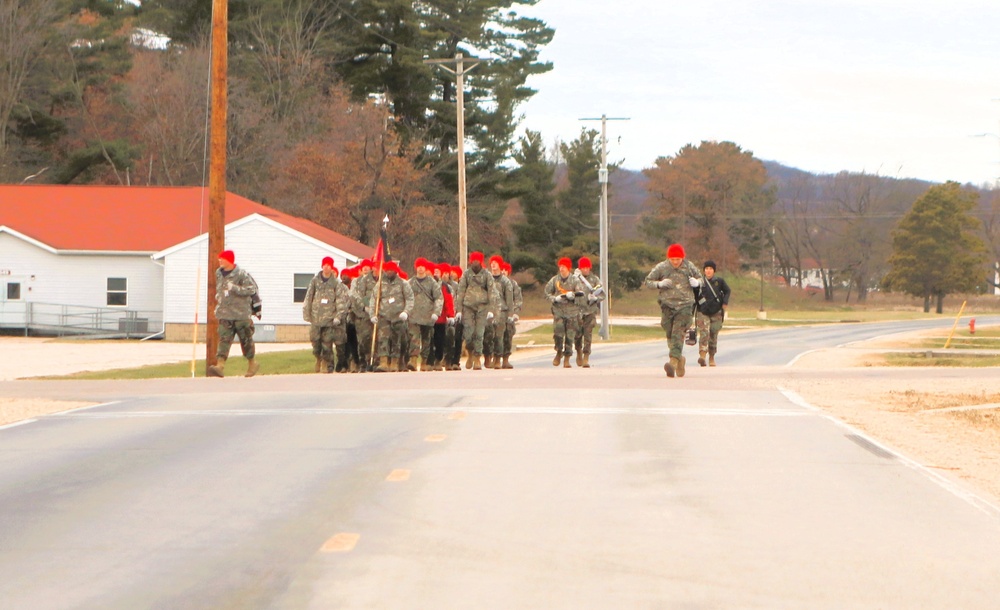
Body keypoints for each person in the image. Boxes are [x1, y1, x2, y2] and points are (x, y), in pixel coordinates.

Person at [644, 243, 702, 378]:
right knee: (670, 333)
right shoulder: (662, 267)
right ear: (669, 258)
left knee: (677, 333)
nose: (675, 262)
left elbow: (702, 279)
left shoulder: (689, 266)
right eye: (673, 259)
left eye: (678, 259)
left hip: (685, 305)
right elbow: (648, 281)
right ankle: (680, 359)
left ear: (682, 258)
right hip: (667, 306)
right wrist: (659, 284)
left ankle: (673, 362)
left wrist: (697, 282)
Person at [208, 250, 261, 378]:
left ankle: (252, 363)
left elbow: (251, 289)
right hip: (225, 313)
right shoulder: (219, 273)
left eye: (222, 259)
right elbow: (221, 289)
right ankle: (220, 366)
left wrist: (235, 288)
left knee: (246, 340)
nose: (220, 261)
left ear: (229, 260)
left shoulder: (241, 274)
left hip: (241, 314)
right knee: (224, 339)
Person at [302, 256, 351, 373]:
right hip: (316, 317)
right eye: (325, 265)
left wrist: (338, 316)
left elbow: (340, 300)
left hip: (329, 319)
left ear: (331, 267)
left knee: (327, 343)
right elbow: (309, 297)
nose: (326, 267)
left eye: (329, 265)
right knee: (315, 342)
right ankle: (318, 358)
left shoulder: (336, 283)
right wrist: (307, 313)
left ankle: (325, 362)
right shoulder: (315, 281)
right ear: (322, 266)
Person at [455, 251, 500, 370]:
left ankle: (477, 358)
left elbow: (492, 292)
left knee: (479, 334)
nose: (475, 262)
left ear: (481, 261)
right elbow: (460, 292)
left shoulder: (486, 275)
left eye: (477, 260)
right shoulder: (466, 274)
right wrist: (458, 309)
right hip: (468, 307)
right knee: (468, 334)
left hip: (482, 307)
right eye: (473, 260)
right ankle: (470, 353)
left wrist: (491, 309)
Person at [368, 261, 414, 372]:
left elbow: (410, 299)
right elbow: (374, 300)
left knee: (397, 340)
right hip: (383, 316)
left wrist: (406, 312)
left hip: (398, 317)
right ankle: (383, 362)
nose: (389, 272)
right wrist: (372, 314)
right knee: (383, 339)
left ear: (395, 271)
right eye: (387, 270)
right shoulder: (379, 284)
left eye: (391, 270)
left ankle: (395, 362)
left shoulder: (403, 284)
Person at [544, 257, 584, 368]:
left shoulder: (574, 280)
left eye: (564, 267)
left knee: (570, 336)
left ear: (568, 268)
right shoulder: (555, 280)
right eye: (560, 266)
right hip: (559, 311)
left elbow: (581, 294)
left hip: (572, 312)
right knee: (558, 332)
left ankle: (567, 357)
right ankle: (558, 352)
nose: (561, 269)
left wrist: (573, 296)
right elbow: (546, 293)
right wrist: (554, 298)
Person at [408, 258, 444, 371]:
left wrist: (436, 312)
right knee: (414, 337)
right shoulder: (411, 282)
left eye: (422, 266)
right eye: (418, 266)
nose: (420, 268)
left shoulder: (432, 282)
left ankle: (424, 361)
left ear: (425, 268)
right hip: (414, 315)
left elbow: (439, 297)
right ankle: (413, 360)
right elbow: (406, 297)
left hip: (428, 315)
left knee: (426, 339)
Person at [695, 260, 731, 367]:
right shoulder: (699, 282)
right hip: (703, 311)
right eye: (706, 269)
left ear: (714, 270)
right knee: (704, 333)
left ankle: (711, 357)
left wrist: (725, 302)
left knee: (713, 334)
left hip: (716, 311)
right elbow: (694, 294)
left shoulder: (719, 281)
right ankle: (702, 355)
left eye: (710, 269)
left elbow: (727, 291)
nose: (708, 271)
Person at [573, 256, 605, 368]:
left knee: (588, 334)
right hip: (577, 311)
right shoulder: (575, 278)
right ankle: (578, 352)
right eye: (583, 267)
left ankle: (586, 356)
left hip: (590, 311)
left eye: (587, 267)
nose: (585, 269)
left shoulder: (594, 279)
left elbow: (602, 294)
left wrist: (595, 299)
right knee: (577, 335)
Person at [483, 255, 514, 369]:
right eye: (492, 263)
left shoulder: (505, 281)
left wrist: (510, 314)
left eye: (495, 263)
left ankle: (498, 358)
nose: (493, 265)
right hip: (489, 311)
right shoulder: (487, 279)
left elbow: (509, 299)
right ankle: (487, 356)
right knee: (488, 335)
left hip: (502, 311)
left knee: (499, 336)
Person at [500, 262, 521, 369]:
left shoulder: (513, 284)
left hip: (509, 315)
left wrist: (515, 313)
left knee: (508, 336)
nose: (503, 272)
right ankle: (495, 358)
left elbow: (518, 299)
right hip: (497, 314)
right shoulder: (493, 282)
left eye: (505, 270)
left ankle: (505, 359)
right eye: (501, 269)